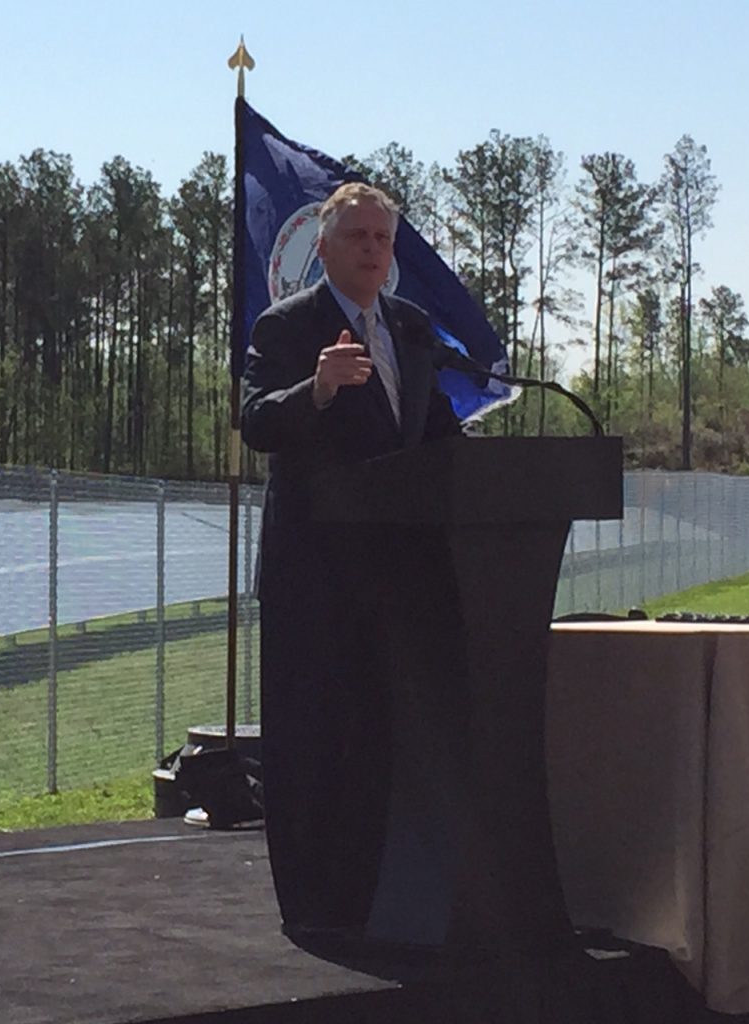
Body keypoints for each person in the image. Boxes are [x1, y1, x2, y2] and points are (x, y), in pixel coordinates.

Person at [242, 183, 462, 936]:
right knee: (312, 741)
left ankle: (371, 899)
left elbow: (434, 435)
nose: (372, 249)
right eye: (357, 236)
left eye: (381, 238)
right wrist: (318, 390)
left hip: (397, 579)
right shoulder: (287, 325)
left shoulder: (411, 326)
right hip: (314, 575)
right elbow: (255, 421)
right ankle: (312, 906)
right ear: (324, 247)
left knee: (376, 743)